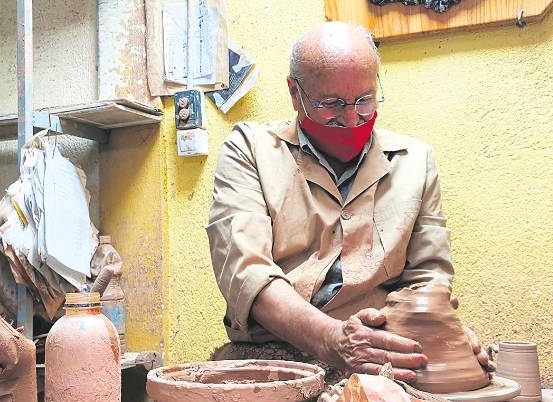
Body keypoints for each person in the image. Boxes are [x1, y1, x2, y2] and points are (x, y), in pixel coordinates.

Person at [207, 21, 492, 383]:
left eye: (365, 99)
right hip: (275, 355)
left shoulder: (415, 162)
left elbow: (428, 277)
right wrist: (332, 339)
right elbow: (247, 275)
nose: (353, 116)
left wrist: (439, 332)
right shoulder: (248, 150)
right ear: (295, 93)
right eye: (332, 103)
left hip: (378, 355)